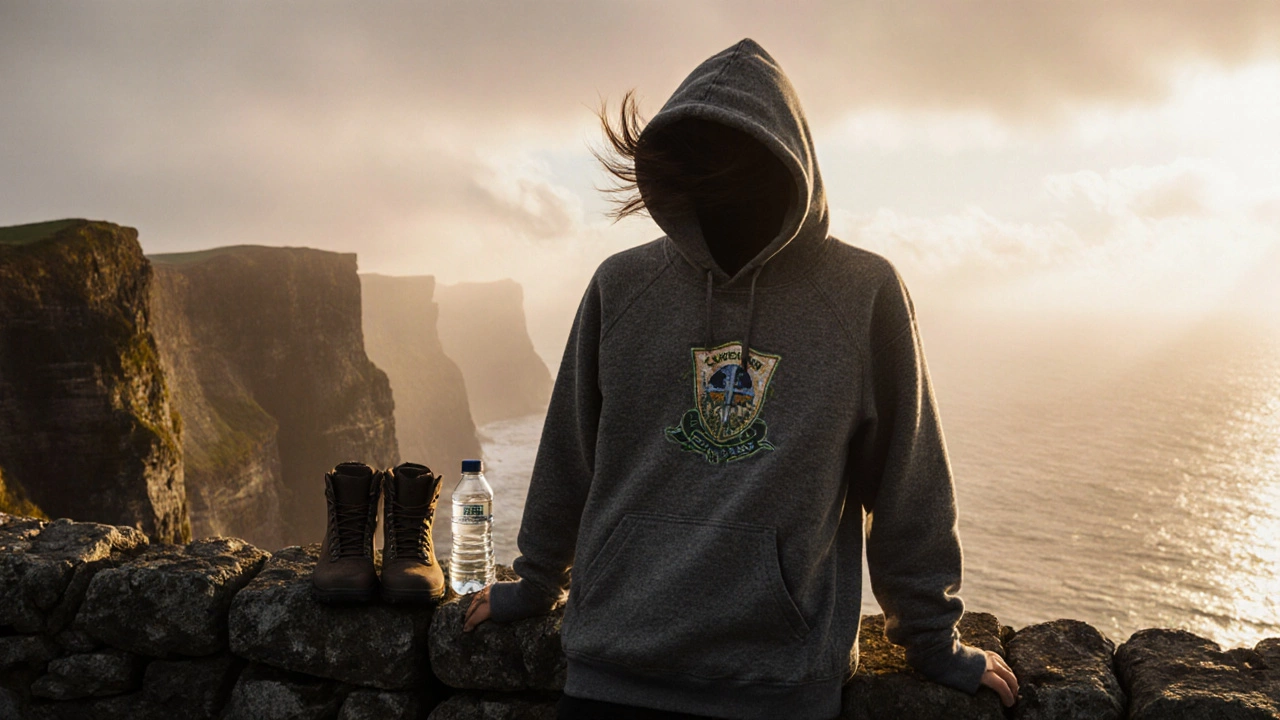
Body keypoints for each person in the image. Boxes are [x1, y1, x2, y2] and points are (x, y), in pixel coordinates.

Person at [462, 37, 1019, 719]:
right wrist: (535, 583)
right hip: (611, 674)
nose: (721, 186)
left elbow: (908, 481)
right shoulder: (623, 286)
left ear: (790, 166)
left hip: (776, 687)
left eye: (738, 163)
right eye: (699, 160)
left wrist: (933, 642)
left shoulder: (861, 294)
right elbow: (568, 456)